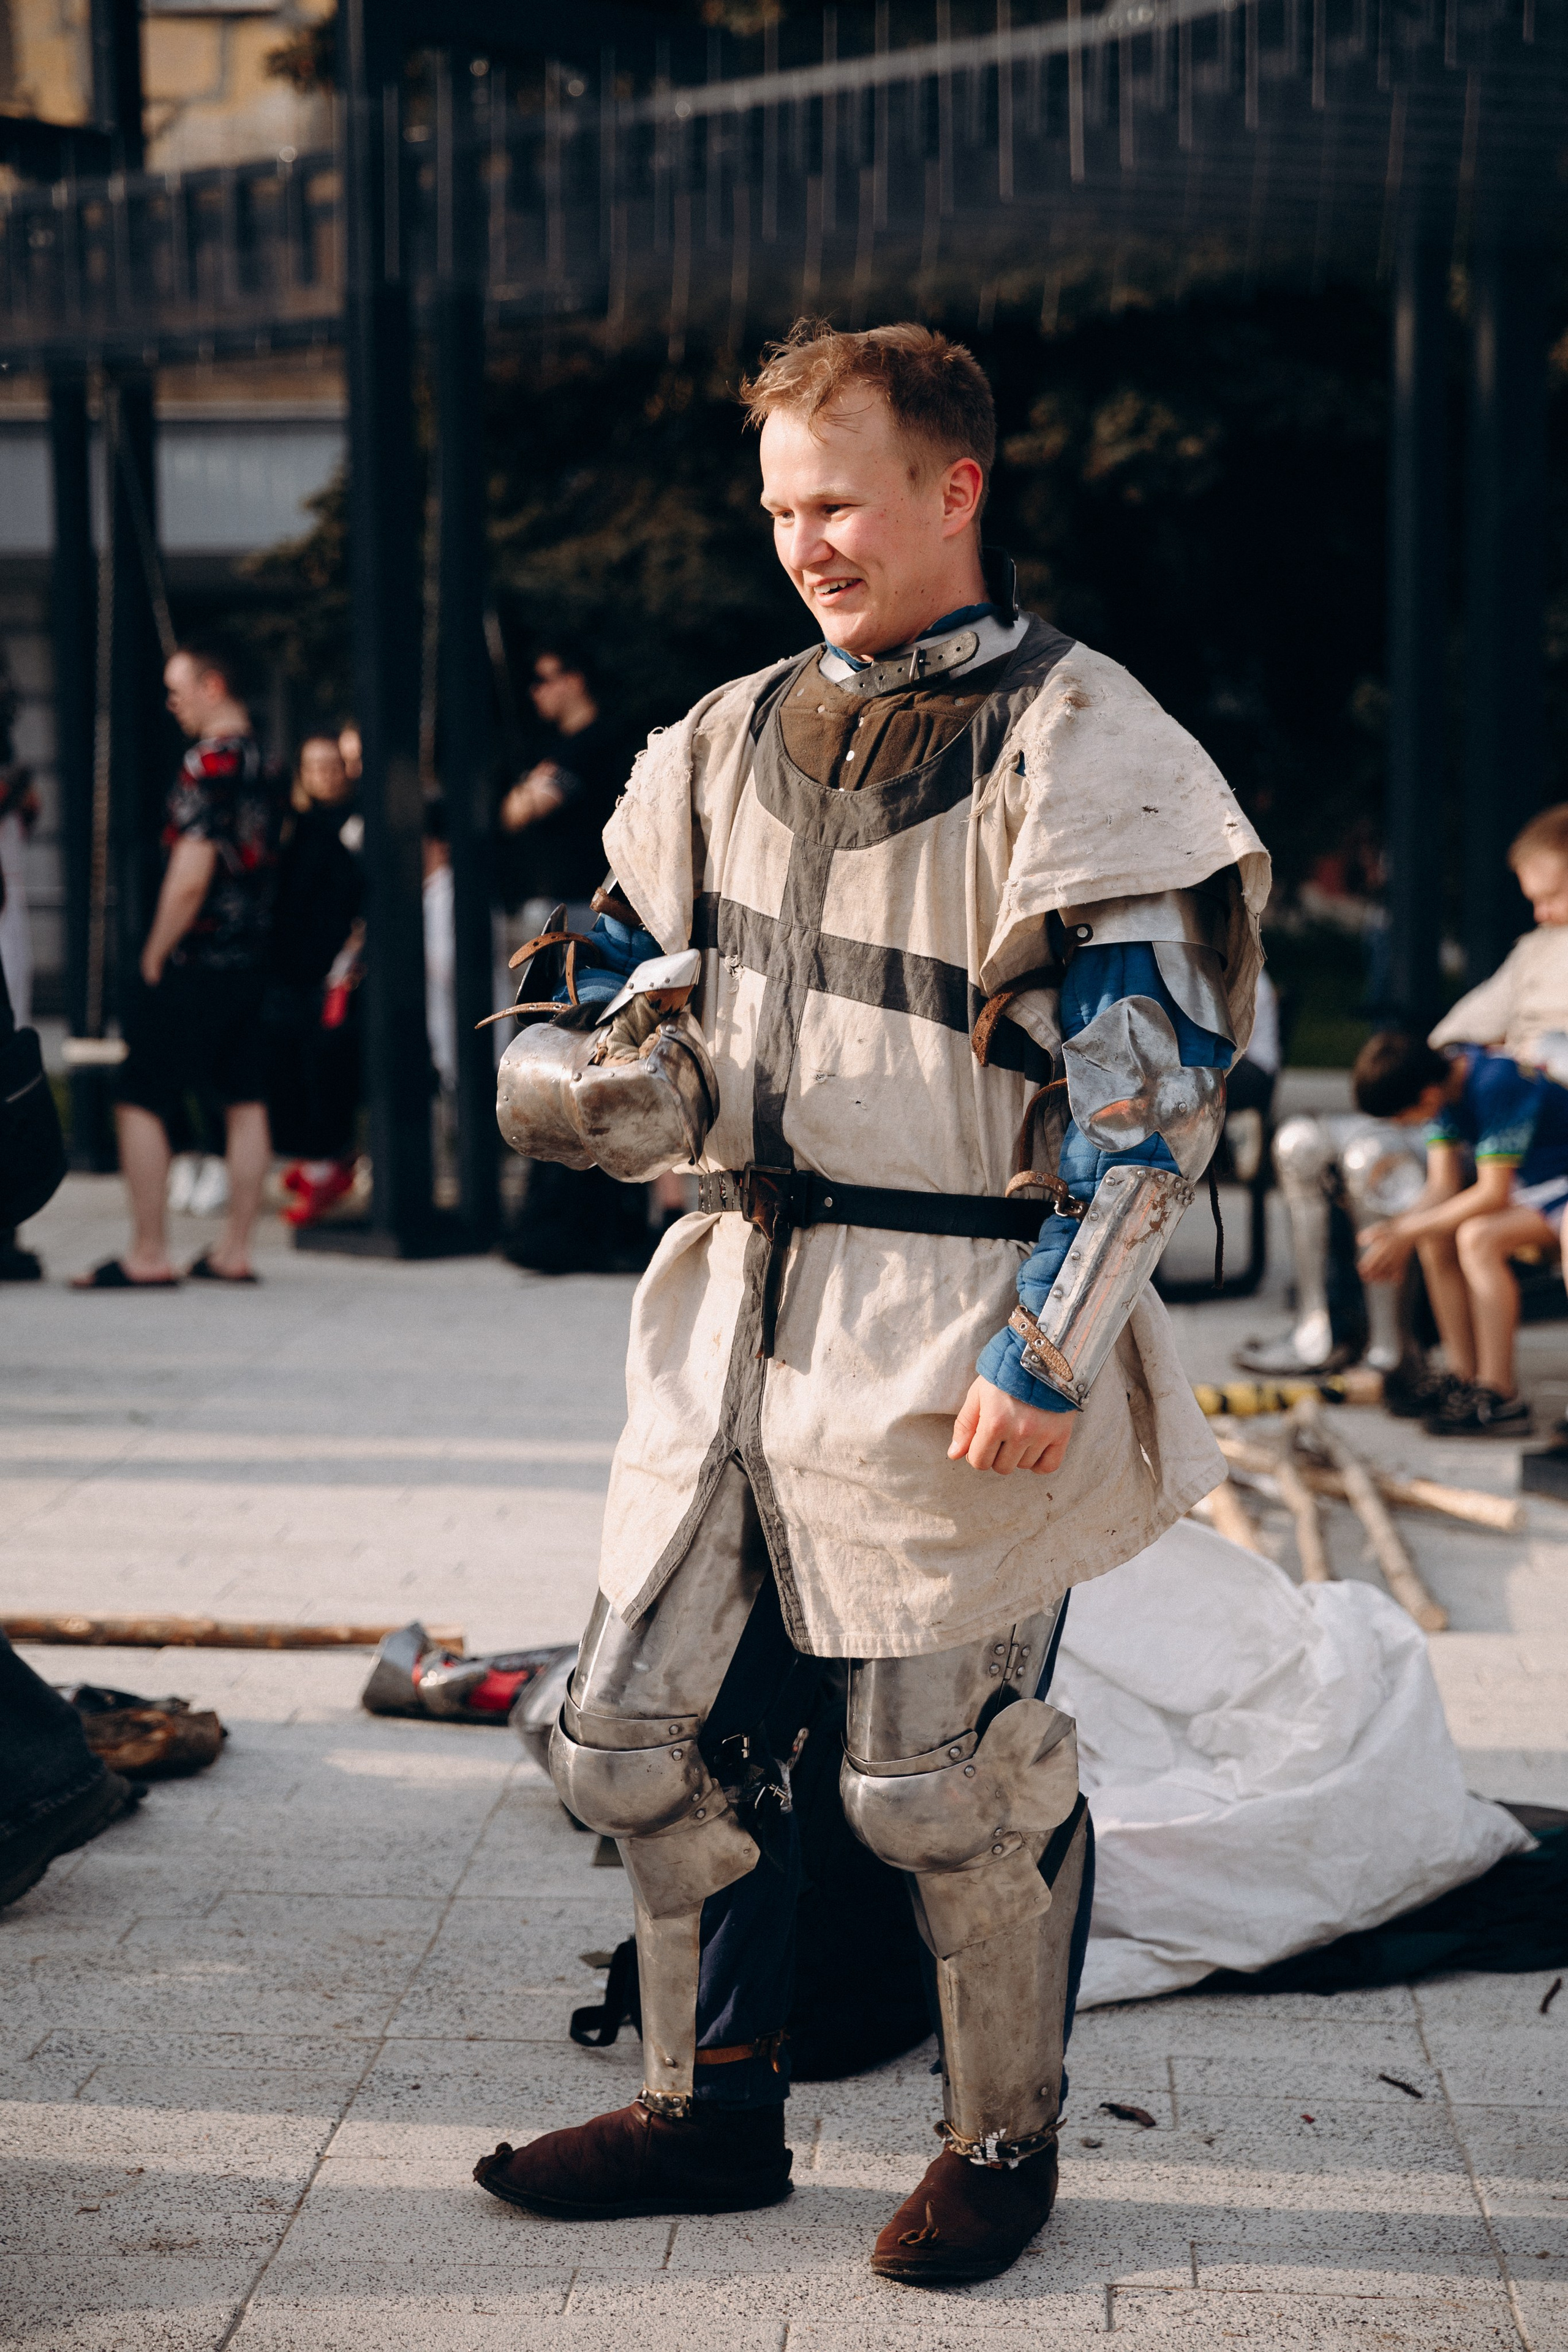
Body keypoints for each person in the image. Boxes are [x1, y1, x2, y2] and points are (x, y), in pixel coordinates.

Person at [472, 320, 1268, 2285]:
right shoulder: (722, 735)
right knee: (631, 1739)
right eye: (777, 508)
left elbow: (1149, 1091)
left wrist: (1049, 1344)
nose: (804, 540)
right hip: (735, 1297)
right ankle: (706, 2107)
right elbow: (584, 973)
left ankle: (1000, 2139)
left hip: (947, 1316)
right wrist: (590, 1074)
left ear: (953, 488)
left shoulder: (1090, 741)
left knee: (940, 1785)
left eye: (835, 499)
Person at [1243, 804, 1568, 1400]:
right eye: (1534, 900)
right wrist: (1477, 1068)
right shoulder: (1537, 951)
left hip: (1542, 1139)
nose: (1541, 912)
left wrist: (1521, 1072)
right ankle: (1441, 1368)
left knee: (1445, 1211)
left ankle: (1490, 1386)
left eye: (1553, 896)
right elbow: (1451, 1040)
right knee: (1363, 1163)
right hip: (1510, 1122)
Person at [73, 642, 277, 1289]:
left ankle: (148, 1252)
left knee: (140, 1098)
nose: (171, 702)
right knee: (246, 1098)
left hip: (194, 955)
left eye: (178, 688)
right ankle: (235, 1251)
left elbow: (191, 873)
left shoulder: (207, 761)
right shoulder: (264, 760)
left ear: (213, 685)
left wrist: (155, 951)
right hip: (249, 957)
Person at [1351, 1030, 1568, 1436]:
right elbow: (1442, 1186)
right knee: (1437, 1234)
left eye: (1401, 1119)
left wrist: (1408, 1230)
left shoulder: (1494, 1083)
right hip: (1531, 1189)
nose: (1406, 1126)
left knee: (1477, 1237)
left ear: (1425, 1098)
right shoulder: (1442, 1079)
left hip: (1558, 1184)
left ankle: (1500, 1395)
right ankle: (1464, 1376)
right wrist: (1398, 1231)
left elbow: (1491, 1193)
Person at [263, 734, 363, 1228]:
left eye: (333, 766)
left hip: (340, 973)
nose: (325, 775)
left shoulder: (357, 826)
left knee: (324, 1059)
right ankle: (317, 1155)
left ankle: (328, 1157)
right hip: (300, 971)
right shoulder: (293, 830)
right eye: (314, 766)